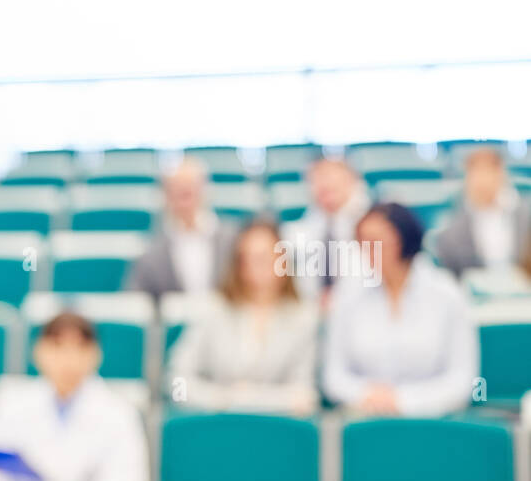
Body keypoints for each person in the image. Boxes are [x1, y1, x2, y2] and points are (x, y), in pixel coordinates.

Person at [0, 313, 148, 481]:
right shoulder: (11, 404)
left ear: (96, 354)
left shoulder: (119, 413)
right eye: (57, 346)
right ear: (38, 352)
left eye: (80, 347)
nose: (68, 358)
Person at [322, 203, 478, 416]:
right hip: (364, 418)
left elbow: (462, 379)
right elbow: (334, 376)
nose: (370, 251)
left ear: (404, 239)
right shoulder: (348, 294)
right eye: (363, 243)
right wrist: (365, 394)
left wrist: (404, 401)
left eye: (378, 242)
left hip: (433, 420)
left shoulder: (446, 294)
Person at [167, 220, 319, 414]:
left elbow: (304, 396)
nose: (257, 267)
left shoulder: (303, 318)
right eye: (249, 258)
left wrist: (248, 398)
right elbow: (177, 382)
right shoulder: (213, 310)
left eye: (265, 257)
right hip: (217, 423)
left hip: (277, 430)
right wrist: (220, 398)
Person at [129, 158, 233, 297]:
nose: (185, 202)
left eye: (189, 192)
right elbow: (136, 299)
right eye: (177, 193)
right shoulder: (150, 252)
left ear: (205, 190)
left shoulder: (234, 241)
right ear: (166, 197)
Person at [281, 157, 371, 302]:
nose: (323, 184)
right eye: (316, 180)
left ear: (352, 182)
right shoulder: (298, 230)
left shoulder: (372, 225)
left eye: (331, 178)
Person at [434, 147, 531, 276]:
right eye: (477, 173)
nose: (483, 180)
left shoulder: (525, 216)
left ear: (501, 174)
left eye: (488, 172)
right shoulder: (452, 232)